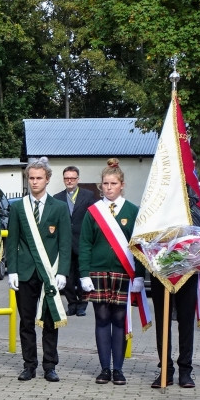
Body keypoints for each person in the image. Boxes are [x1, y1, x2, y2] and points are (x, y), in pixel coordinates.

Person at [6, 157, 71, 382]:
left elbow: (65, 243)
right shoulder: (18, 207)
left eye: (39, 178)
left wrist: (62, 271)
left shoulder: (60, 207)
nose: (34, 182)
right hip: (24, 272)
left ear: (48, 179)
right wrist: (11, 270)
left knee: (51, 320)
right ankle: (29, 365)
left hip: (50, 273)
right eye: (31, 178)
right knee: (26, 321)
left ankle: (50, 365)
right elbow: (12, 241)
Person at [78, 159, 142, 385]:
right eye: (105, 183)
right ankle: (105, 368)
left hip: (124, 273)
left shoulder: (133, 211)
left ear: (122, 184)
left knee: (119, 319)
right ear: (100, 186)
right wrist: (84, 273)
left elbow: (139, 245)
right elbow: (84, 243)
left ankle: (119, 369)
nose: (109, 187)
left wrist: (140, 275)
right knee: (102, 319)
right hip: (97, 273)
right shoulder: (93, 212)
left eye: (113, 183)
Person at [148, 184, 200, 389]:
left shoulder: (193, 209)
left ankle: (185, 370)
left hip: (187, 272)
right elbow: (144, 237)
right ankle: (165, 369)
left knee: (185, 321)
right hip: (161, 272)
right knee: (162, 322)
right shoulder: (155, 209)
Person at [53, 165, 96, 317]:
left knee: (82, 274)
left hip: (83, 242)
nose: (69, 181)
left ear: (78, 179)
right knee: (67, 276)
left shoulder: (89, 196)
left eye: (72, 178)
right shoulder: (57, 198)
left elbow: (94, 219)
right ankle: (72, 304)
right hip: (65, 244)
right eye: (67, 178)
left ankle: (83, 305)